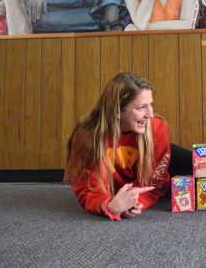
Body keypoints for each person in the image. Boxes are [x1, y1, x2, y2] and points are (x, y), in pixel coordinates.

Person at [65, 73, 172, 220]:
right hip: (125, 167)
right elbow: (88, 188)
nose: (151, 114)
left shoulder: (157, 128)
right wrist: (109, 206)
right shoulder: (88, 136)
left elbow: (154, 183)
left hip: (158, 153)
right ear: (117, 111)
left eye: (151, 104)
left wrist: (134, 202)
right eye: (141, 108)